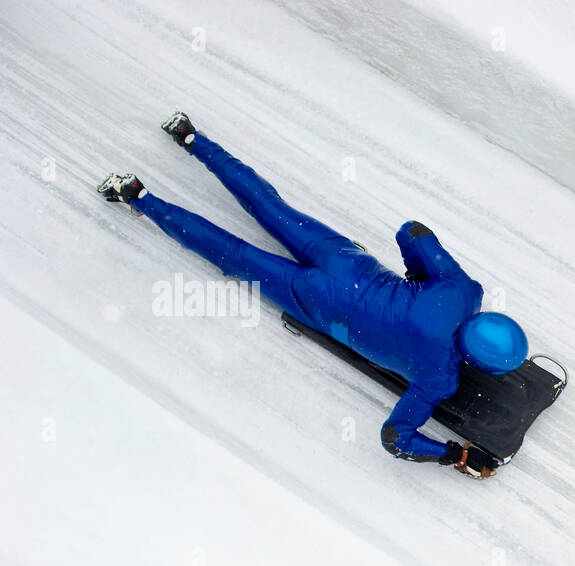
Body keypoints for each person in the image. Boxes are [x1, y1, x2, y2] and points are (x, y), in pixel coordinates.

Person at [97, 112, 526, 478]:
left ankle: (190, 136)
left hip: (344, 262)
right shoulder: (440, 378)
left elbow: (412, 231)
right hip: (319, 302)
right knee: (231, 253)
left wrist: (416, 281)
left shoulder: (464, 290)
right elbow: (395, 440)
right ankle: (140, 196)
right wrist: (455, 454)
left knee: (268, 205)